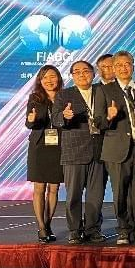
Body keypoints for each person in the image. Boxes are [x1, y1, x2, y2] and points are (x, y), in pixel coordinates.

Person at [100, 50, 135, 245]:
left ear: (133, 66)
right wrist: (109, 116)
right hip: (117, 148)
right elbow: (97, 122)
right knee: (120, 191)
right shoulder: (104, 91)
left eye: (127, 64)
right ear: (113, 69)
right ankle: (124, 230)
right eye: (119, 65)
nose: (123, 68)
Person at [52, 60, 107, 244]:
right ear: (72, 76)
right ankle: (74, 230)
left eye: (86, 71)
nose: (82, 74)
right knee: (73, 195)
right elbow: (55, 118)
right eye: (77, 72)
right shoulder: (64, 94)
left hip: (99, 150)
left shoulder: (102, 91)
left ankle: (93, 229)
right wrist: (64, 116)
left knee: (96, 195)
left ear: (93, 73)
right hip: (74, 152)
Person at [25, 64, 64, 243]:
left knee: (54, 188)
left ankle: (48, 225)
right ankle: (41, 227)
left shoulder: (65, 96)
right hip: (40, 146)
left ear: (59, 78)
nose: (49, 80)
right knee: (39, 188)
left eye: (52, 76)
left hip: (59, 147)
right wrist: (31, 120)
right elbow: (29, 123)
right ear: (40, 81)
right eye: (45, 77)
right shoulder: (35, 98)